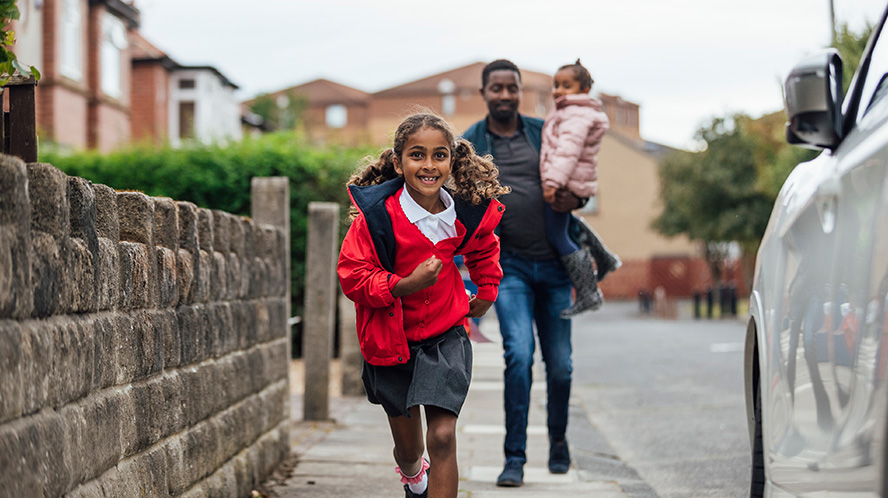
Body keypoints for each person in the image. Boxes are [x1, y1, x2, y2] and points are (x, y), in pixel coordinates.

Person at [338, 112, 509, 498]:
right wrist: (404, 285)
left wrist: (486, 290)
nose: (429, 165)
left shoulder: (464, 211)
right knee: (410, 449)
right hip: (390, 341)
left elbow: (484, 246)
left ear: (452, 162)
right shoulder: (377, 218)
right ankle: (415, 477)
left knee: (443, 436)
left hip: (445, 335)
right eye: (417, 155)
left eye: (439, 155)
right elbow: (352, 275)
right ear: (399, 163)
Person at [461, 59, 583, 487]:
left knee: (561, 366)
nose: (505, 95)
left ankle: (558, 439)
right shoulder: (470, 144)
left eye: (511, 87)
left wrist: (575, 200)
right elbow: (458, 203)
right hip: (507, 267)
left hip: (555, 266)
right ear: (484, 93)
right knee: (518, 355)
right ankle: (514, 457)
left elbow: (579, 176)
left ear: (519, 91)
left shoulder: (544, 131)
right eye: (496, 88)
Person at [540, 59, 611, 317]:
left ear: (584, 89)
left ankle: (588, 292)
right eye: (556, 85)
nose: (558, 90)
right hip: (571, 180)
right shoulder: (570, 110)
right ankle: (604, 258)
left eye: (566, 85)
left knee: (558, 235)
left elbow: (567, 152)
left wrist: (552, 182)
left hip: (566, 182)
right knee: (565, 225)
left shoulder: (575, 114)